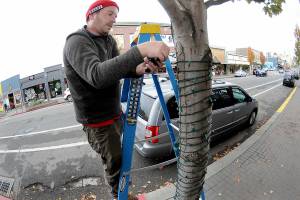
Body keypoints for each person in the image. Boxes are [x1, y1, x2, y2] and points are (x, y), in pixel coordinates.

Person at [63, 0, 170, 199]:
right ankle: (119, 195)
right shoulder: (76, 41)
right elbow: (97, 76)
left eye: (116, 15)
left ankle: (122, 191)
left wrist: (138, 69)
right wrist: (142, 50)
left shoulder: (109, 41)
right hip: (97, 121)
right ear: (92, 14)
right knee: (115, 162)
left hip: (114, 112)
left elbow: (117, 69)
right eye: (110, 14)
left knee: (120, 156)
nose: (114, 19)